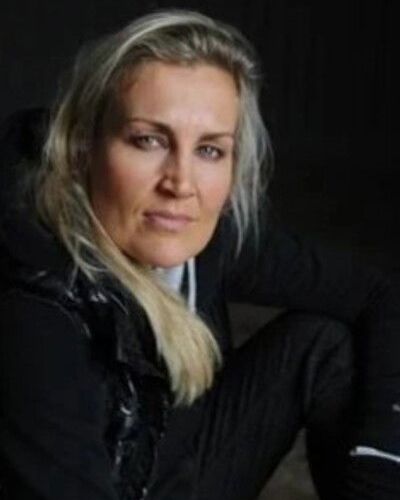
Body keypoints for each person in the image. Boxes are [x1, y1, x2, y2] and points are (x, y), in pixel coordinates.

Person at [0, 9, 399, 500]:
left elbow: (377, 292)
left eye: (210, 149)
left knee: (323, 345)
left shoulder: (198, 231)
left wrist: (380, 468)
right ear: (82, 148)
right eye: (148, 140)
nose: (181, 184)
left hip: (164, 472)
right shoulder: (33, 311)